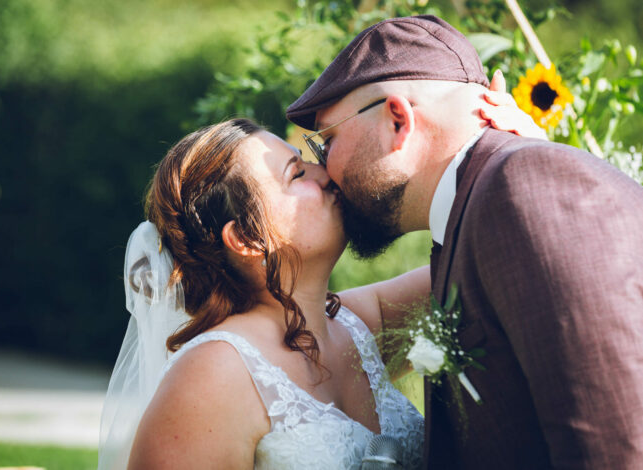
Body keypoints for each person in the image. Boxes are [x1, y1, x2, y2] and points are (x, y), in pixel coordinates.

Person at [97, 82, 538, 468]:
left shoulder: (359, 327)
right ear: (248, 238)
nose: (326, 173)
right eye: (296, 173)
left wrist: (520, 156)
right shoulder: (212, 375)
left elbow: (482, 256)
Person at [286, 14, 643, 470]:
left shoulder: (523, 185)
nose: (325, 171)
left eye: (326, 142)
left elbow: (614, 442)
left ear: (397, 120)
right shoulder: (480, 209)